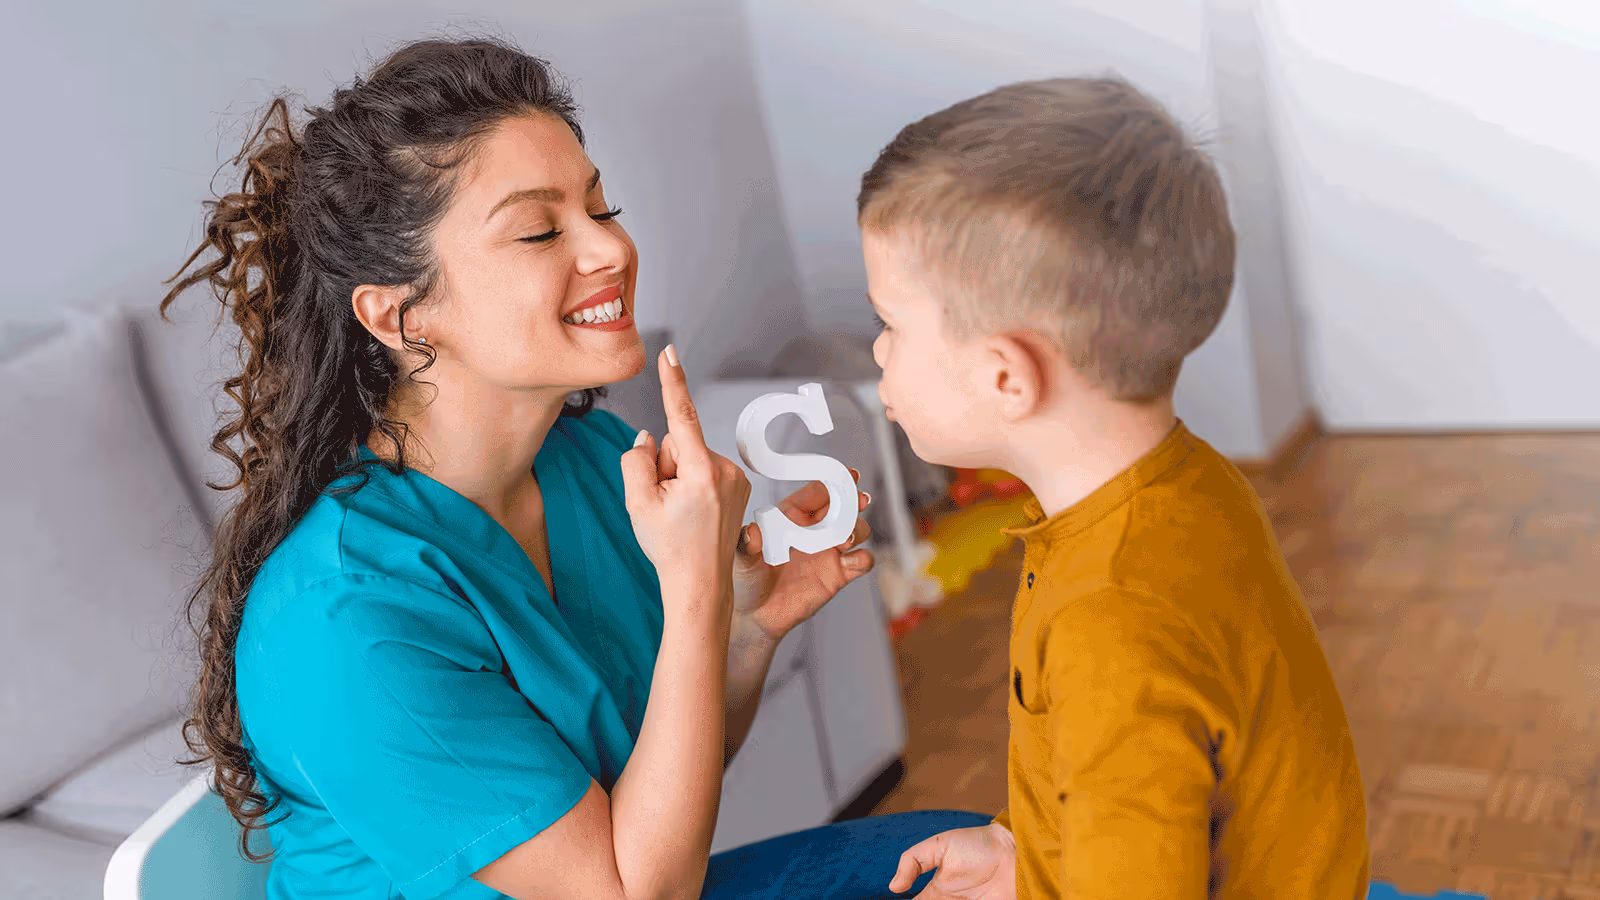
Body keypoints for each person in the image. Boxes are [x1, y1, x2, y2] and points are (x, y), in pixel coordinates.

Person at [161, 36, 990, 900]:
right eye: (539, 229)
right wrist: (694, 592)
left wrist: (739, 632)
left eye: (603, 207)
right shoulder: (344, 616)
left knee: (975, 866)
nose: (611, 250)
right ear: (400, 315)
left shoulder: (591, 461)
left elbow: (657, 796)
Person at [857, 77, 1372, 898]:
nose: (877, 353)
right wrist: (1023, 849)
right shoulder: (1182, 481)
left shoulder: (1115, 618)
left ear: (1005, 376)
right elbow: (1136, 777)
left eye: (889, 323)